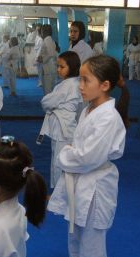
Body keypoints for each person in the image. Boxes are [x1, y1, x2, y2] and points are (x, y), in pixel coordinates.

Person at [48, 55, 127, 257]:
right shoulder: (88, 109)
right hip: (81, 182)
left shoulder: (108, 117)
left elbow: (87, 157)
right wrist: (73, 154)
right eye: (80, 79)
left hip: (96, 185)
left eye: (85, 80)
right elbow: (80, 153)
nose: (80, 85)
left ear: (104, 85)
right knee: (75, 240)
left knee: (92, 244)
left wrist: (65, 156)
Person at [37, 51, 83, 190]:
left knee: (58, 160)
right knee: (64, 158)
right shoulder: (75, 83)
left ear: (72, 67)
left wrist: (50, 105)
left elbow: (46, 102)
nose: (58, 69)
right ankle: (65, 189)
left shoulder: (66, 85)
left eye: (62, 67)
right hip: (68, 124)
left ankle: (58, 192)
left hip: (62, 127)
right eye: (57, 66)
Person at [38, 24, 58, 95]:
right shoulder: (49, 40)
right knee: (48, 87)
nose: (41, 34)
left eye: (41, 31)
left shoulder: (48, 40)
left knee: (48, 88)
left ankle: (49, 105)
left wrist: (42, 59)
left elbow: (50, 53)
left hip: (48, 66)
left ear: (44, 32)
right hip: (48, 66)